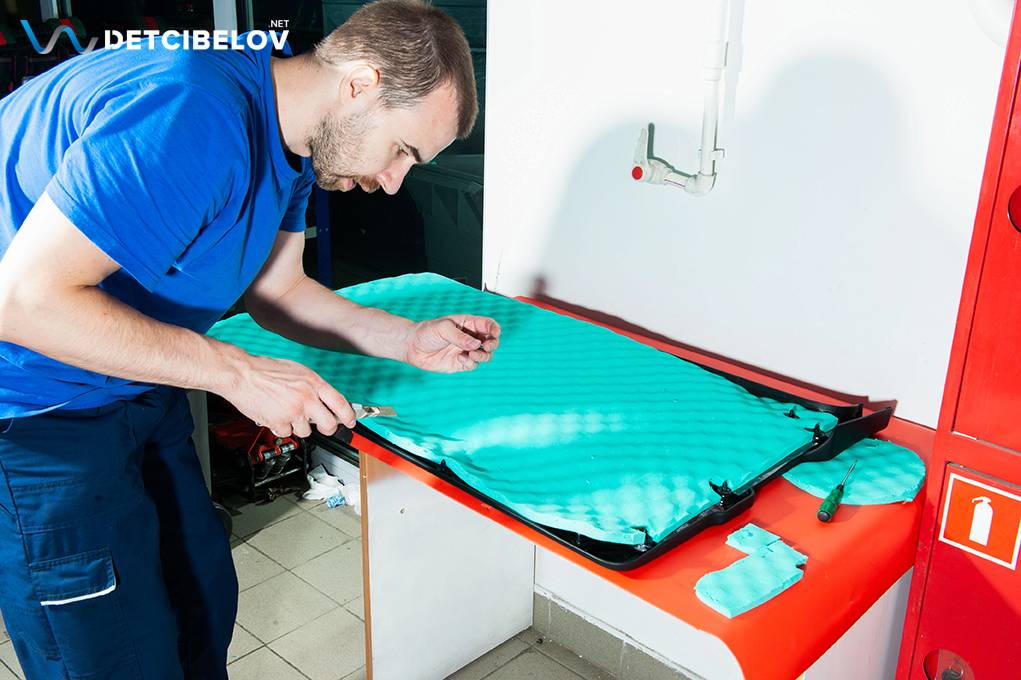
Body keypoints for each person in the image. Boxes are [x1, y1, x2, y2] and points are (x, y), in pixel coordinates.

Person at [0, 1, 499, 677]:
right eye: (402, 151)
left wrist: (408, 340)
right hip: (32, 410)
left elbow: (279, 292)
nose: (392, 184)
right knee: (112, 656)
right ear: (361, 84)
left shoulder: (292, 137)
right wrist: (238, 374)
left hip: (134, 382)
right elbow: (24, 302)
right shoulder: (190, 110)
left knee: (200, 605)